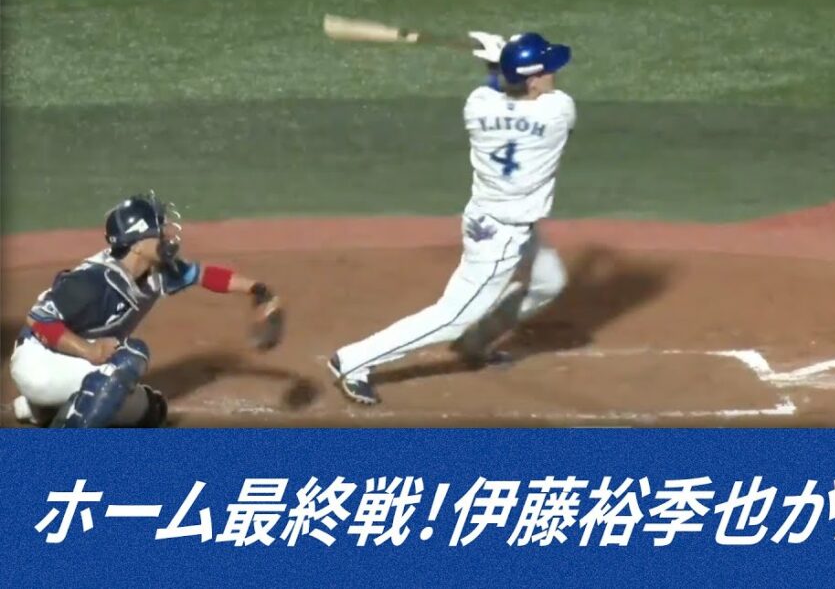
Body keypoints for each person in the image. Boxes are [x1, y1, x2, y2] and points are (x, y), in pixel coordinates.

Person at [328, 32, 577, 405]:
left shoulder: (477, 106)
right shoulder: (558, 112)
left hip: (489, 216)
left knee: (549, 282)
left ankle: (476, 342)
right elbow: (513, 88)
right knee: (453, 315)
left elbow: (496, 88)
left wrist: (496, 62)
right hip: (501, 238)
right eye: (548, 70)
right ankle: (353, 360)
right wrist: (499, 58)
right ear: (533, 80)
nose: (554, 74)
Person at [8, 192, 285, 427]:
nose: (166, 235)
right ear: (138, 244)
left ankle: (41, 409)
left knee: (151, 411)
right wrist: (88, 350)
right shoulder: (92, 280)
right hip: (39, 363)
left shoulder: (158, 271)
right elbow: (39, 320)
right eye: (158, 231)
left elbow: (205, 275)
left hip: (72, 367)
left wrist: (259, 290)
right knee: (130, 357)